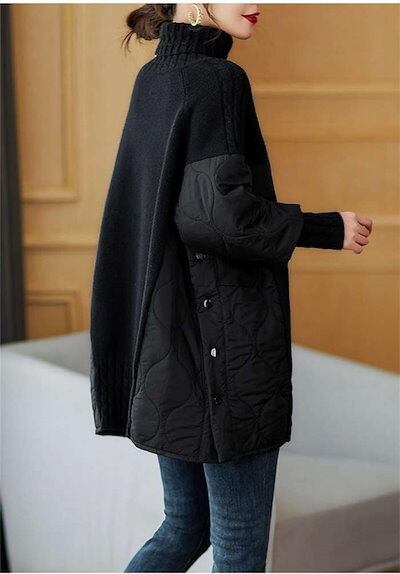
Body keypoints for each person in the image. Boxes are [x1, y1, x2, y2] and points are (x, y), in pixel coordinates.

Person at [89, 4, 373, 572]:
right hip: (223, 351)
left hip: (169, 353)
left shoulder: (155, 77)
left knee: (183, 527)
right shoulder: (217, 79)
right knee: (239, 552)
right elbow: (219, 215)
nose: (258, 3)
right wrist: (326, 228)